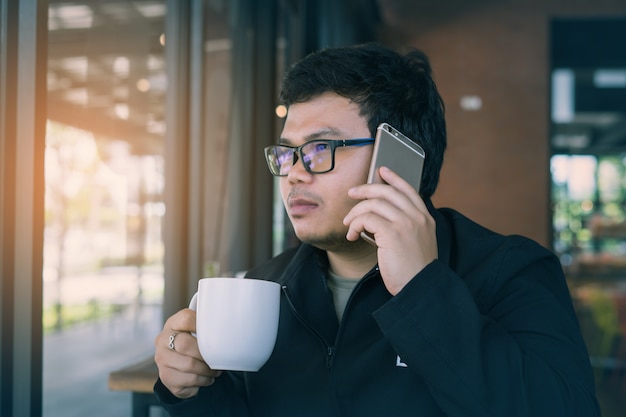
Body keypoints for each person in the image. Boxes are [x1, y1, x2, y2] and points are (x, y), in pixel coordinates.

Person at [153, 43, 600, 416]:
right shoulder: (268, 288)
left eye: (321, 149)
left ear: (398, 159)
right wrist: (191, 389)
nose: (294, 174)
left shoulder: (510, 271)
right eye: (289, 154)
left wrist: (422, 289)